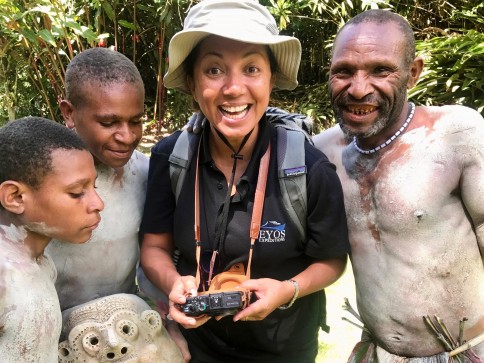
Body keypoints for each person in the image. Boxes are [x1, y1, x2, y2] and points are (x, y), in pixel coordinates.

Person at [139, 0, 350, 362]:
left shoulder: (306, 167)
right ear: (192, 82)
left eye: (251, 68)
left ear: (271, 79)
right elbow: (154, 248)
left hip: (285, 350)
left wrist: (288, 290)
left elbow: (332, 261)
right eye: (214, 70)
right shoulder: (171, 158)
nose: (234, 88)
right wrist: (175, 284)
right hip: (195, 349)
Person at [312, 9, 484, 362]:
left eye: (380, 70)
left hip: (466, 352)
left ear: (413, 73)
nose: (358, 89)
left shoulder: (457, 135)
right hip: (377, 352)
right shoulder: (321, 153)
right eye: (344, 71)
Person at [44, 47, 190, 360]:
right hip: (53, 340)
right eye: (109, 123)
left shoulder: (147, 175)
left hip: (126, 334)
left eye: (135, 121)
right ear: (69, 112)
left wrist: (166, 323)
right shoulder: (38, 180)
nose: (126, 136)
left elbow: (150, 262)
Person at [0, 116, 104, 362]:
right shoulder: (3, 278)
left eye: (94, 188)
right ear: (14, 197)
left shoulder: (42, 265)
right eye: (77, 192)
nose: (98, 204)